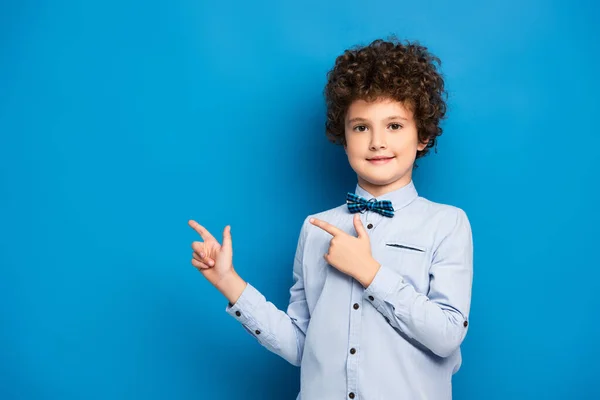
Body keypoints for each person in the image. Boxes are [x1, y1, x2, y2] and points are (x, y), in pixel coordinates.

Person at [188, 37, 473, 400]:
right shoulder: (315, 228)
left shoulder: (447, 224)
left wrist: (370, 272)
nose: (377, 142)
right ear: (344, 136)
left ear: (422, 136)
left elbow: (447, 336)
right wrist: (228, 282)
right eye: (360, 127)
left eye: (395, 126)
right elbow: (301, 346)